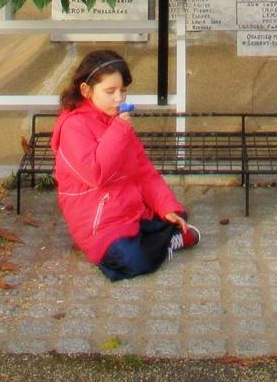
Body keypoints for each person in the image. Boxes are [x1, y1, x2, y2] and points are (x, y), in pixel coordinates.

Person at [51, 49, 200, 281]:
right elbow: (96, 173)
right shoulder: (74, 126)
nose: (119, 99)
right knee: (133, 261)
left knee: (175, 214)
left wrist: (167, 207)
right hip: (97, 222)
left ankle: (169, 233)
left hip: (128, 211)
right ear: (86, 90)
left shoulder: (115, 119)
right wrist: (119, 129)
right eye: (110, 92)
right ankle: (171, 239)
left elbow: (143, 171)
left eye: (123, 91)